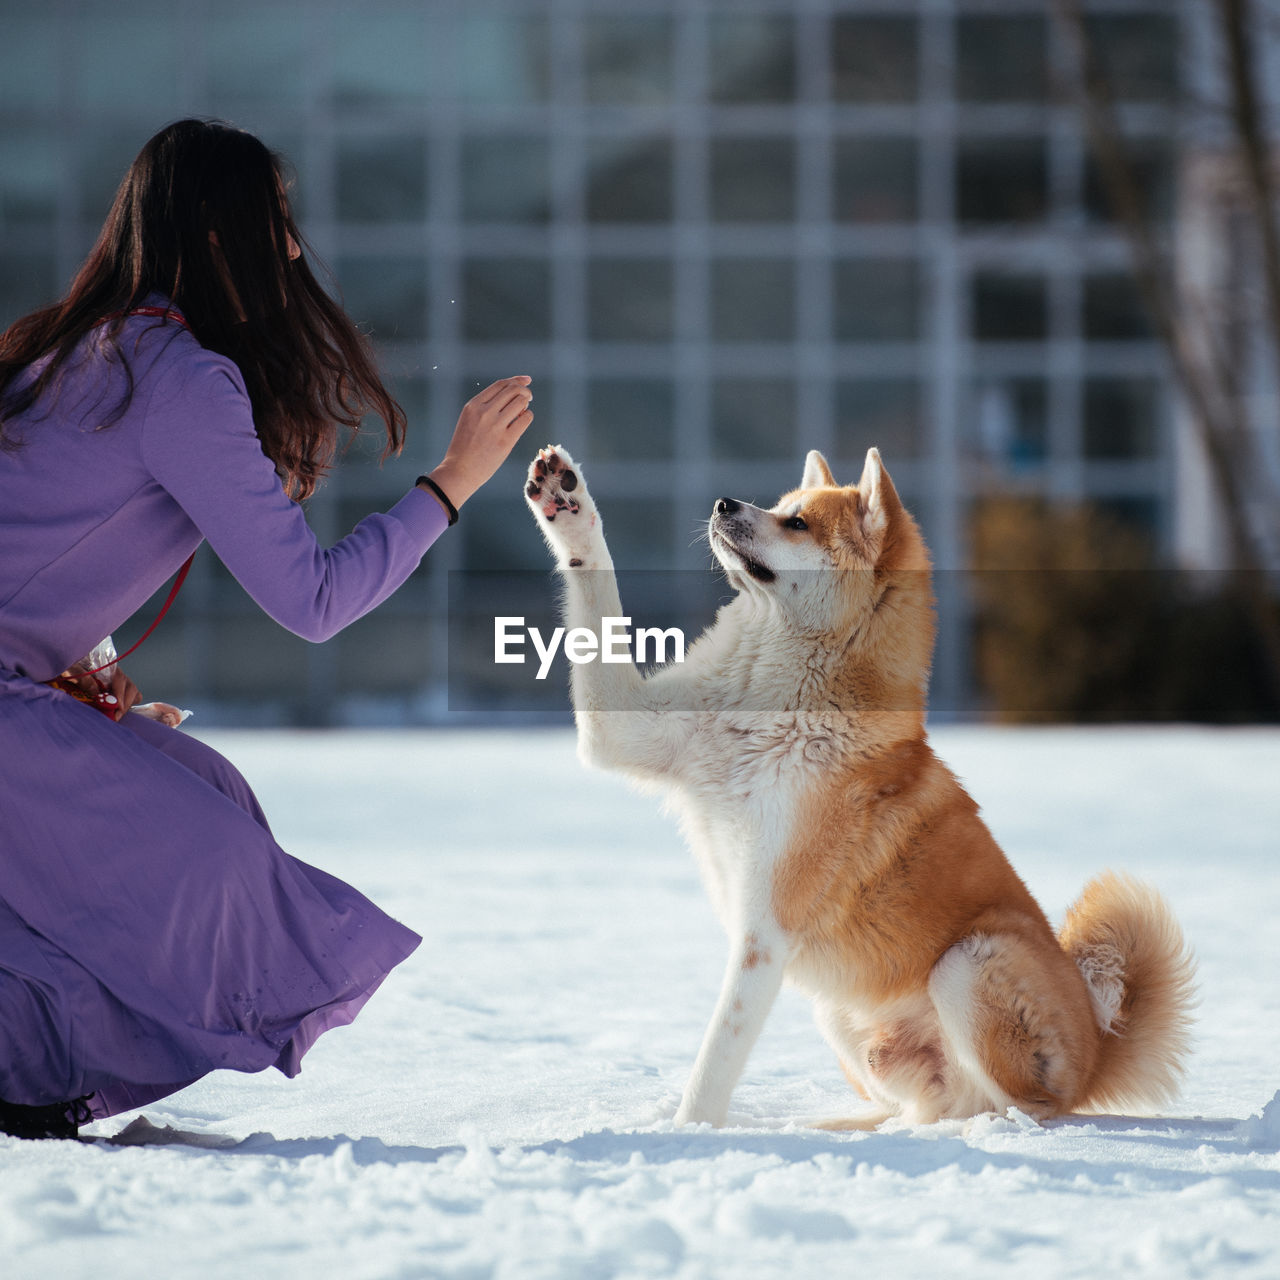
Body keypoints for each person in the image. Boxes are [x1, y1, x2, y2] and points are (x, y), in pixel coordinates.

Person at [0, 119, 533, 1140]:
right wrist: (451, 484)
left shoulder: (73, 349)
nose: (292, 249)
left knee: (208, 796)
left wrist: (85, 670)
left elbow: (38, 531)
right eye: (276, 222)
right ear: (218, 236)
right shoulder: (180, 378)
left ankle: (25, 1070)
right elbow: (314, 603)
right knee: (215, 865)